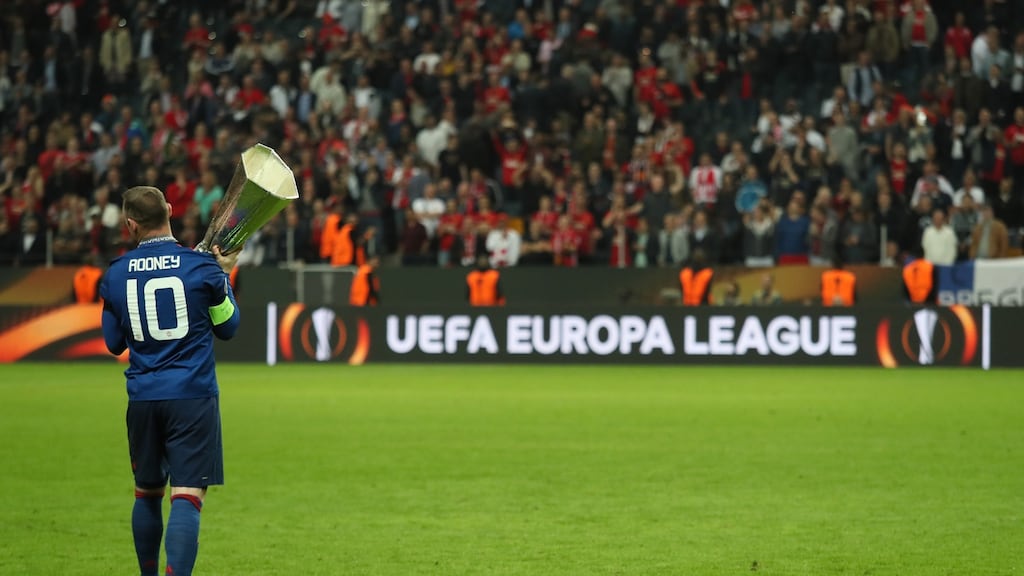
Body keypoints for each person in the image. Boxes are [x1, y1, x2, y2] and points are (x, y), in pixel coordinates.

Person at [99, 186, 240, 576]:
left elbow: (113, 343)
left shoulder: (115, 274)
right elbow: (228, 327)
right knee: (187, 496)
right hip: (192, 396)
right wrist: (223, 277)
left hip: (143, 396)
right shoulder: (200, 267)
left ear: (130, 225)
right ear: (171, 211)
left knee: (147, 492)